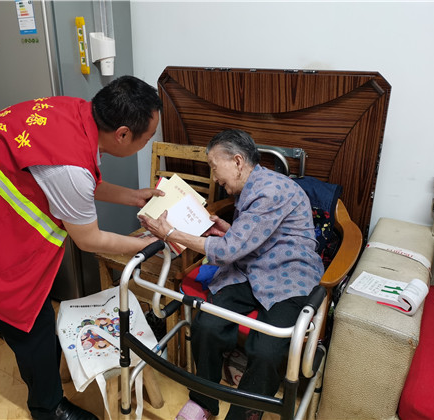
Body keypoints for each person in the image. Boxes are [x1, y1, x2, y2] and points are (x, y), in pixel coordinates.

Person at [0, 76, 163, 420]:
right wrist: (145, 244)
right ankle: (47, 407)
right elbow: (88, 238)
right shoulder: (70, 167)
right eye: (147, 137)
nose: (148, 143)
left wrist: (133, 196)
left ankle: (48, 372)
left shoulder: (76, 112)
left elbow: (77, 183)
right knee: (30, 322)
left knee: (36, 312)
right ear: (122, 134)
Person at [138, 129, 324, 420]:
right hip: (250, 269)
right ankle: (203, 402)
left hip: (289, 276)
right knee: (207, 325)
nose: (214, 178)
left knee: (266, 352)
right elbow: (257, 233)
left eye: (214, 167)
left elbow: (227, 251)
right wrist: (230, 230)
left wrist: (171, 233)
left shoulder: (270, 190)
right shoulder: (253, 186)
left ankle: (242, 416)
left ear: (237, 161)